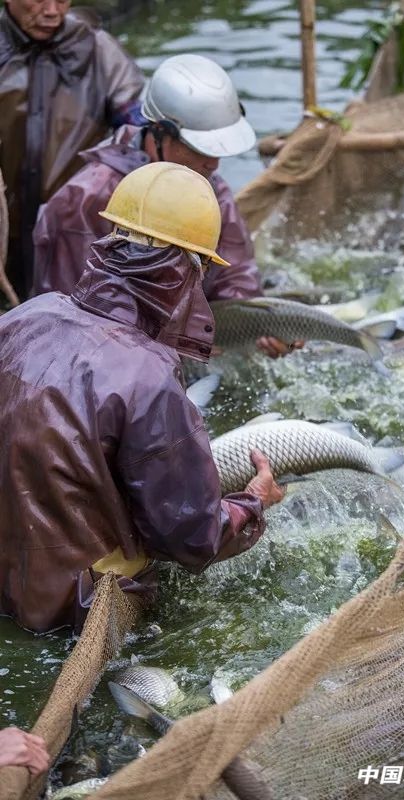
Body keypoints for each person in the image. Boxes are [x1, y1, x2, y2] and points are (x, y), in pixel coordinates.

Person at [0, 162, 284, 634]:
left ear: (111, 241)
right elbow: (191, 535)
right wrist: (254, 503)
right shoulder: (147, 377)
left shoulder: (25, 317)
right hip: (70, 613)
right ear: (183, 272)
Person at [32, 54, 303, 358]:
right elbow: (68, 317)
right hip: (101, 354)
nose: (213, 163)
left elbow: (234, 278)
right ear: (160, 132)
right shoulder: (86, 199)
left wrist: (257, 329)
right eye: (200, 148)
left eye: (218, 150)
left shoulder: (209, 188)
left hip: (182, 345)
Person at [0, 0, 145, 299]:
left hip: (73, 229)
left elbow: (137, 128)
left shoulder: (97, 49)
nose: (52, 11)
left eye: (62, 0)